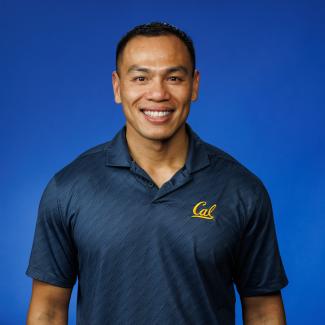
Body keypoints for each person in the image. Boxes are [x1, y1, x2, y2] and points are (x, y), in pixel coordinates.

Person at [26, 22, 288, 325]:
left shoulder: (241, 190)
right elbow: (48, 309)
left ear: (194, 85)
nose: (158, 93)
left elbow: (263, 310)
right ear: (117, 86)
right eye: (140, 77)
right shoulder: (69, 188)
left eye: (174, 77)